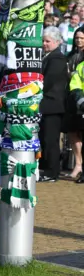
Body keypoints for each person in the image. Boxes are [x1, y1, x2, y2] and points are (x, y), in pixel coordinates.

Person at [38, 27, 68, 183]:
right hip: (47, 104)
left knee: (51, 140)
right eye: (43, 41)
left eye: (48, 41)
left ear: (57, 42)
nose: (44, 44)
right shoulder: (47, 56)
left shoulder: (57, 58)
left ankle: (52, 171)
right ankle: (45, 167)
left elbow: (48, 80)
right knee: (44, 138)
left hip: (53, 104)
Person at [63, 27, 84, 179]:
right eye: (77, 38)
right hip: (71, 97)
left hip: (81, 99)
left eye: (82, 38)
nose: (79, 40)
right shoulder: (70, 55)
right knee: (72, 131)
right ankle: (78, 163)